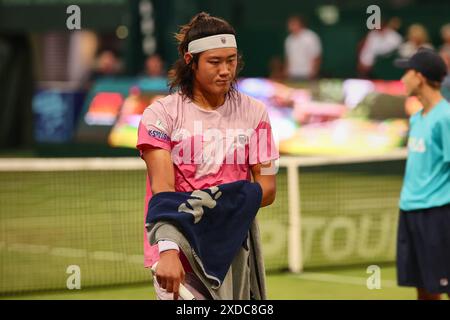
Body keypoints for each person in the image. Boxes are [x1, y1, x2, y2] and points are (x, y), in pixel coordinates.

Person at [136, 12, 279, 300]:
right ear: (190, 62)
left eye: (231, 59)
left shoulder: (255, 113)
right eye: (215, 62)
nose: (225, 70)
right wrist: (167, 250)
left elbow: (267, 188)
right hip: (179, 251)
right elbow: (163, 189)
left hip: (233, 249)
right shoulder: (160, 115)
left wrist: (215, 206)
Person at [394, 48, 450, 300]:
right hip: (410, 213)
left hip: (437, 216)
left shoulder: (446, 117)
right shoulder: (416, 118)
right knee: (423, 290)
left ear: (420, 77)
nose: (403, 78)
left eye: (407, 72)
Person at [284, 15, 322, 80]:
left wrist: (314, 72)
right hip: (293, 74)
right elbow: (288, 57)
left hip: (307, 73)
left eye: (293, 24)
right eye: (290, 24)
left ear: (300, 24)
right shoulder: (289, 39)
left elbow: (316, 56)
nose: (290, 26)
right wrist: (286, 71)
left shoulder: (310, 37)